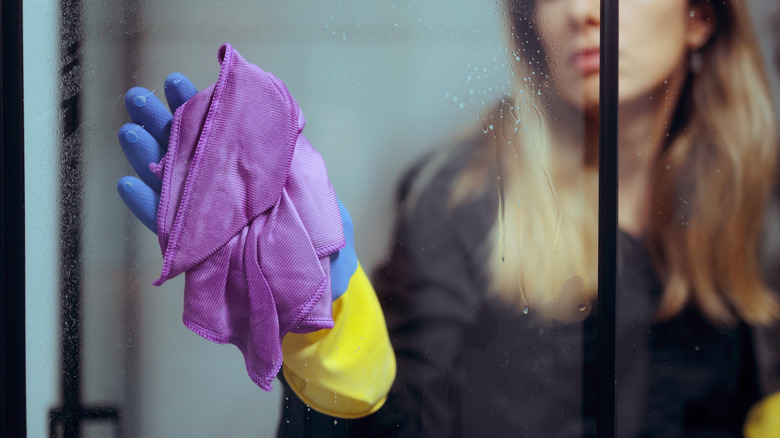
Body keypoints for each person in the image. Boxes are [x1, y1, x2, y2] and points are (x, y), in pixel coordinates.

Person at [117, 0, 780, 437]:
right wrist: (328, 327)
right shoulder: (464, 199)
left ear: (701, 17)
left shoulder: (753, 204)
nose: (584, 12)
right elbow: (399, 422)